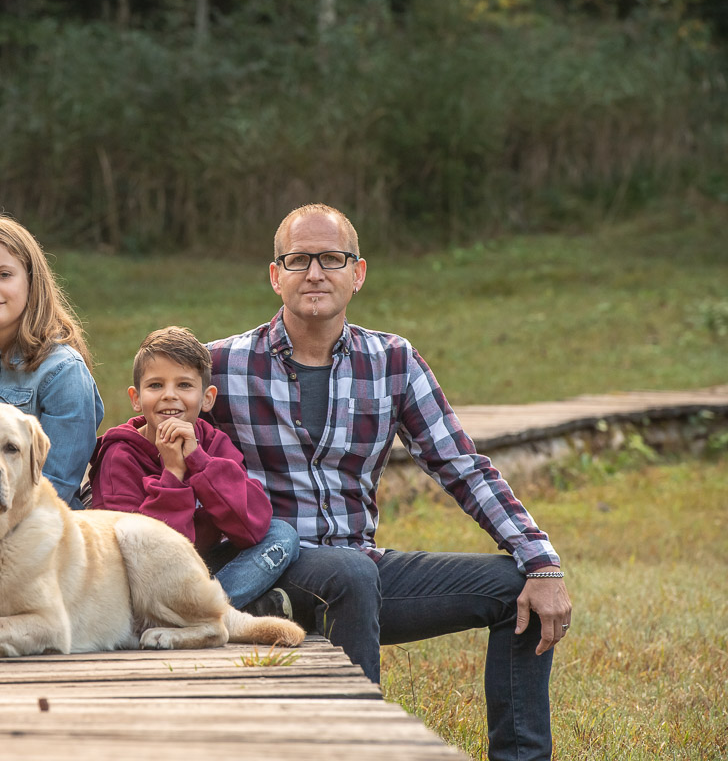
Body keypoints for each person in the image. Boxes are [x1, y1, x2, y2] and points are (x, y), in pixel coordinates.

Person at [206, 203, 572, 761]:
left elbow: (462, 465)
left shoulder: (392, 360)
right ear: (276, 276)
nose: (315, 273)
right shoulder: (222, 365)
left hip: (361, 572)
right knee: (349, 572)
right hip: (266, 570)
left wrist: (541, 560)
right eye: (299, 260)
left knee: (512, 587)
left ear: (358, 273)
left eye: (332, 259)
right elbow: (145, 441)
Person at [88, 326, 299, 617]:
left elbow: (252, 527)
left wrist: (198, 461)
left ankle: (202, 612)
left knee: (282, 536)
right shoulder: (119, 456)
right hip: (142, 584)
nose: (169, 396)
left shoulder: (213, 443)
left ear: (207, 398)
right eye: (155, 385)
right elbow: (136, 558)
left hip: (203, 567)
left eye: (184, 385)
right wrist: (173, 473)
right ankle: (211, 613)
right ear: (136, 398)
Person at [0, 213, 103, 508]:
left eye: (4, 275)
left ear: (31, 280)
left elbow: (54, 489)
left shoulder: (64, 373)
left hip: (35, 529)